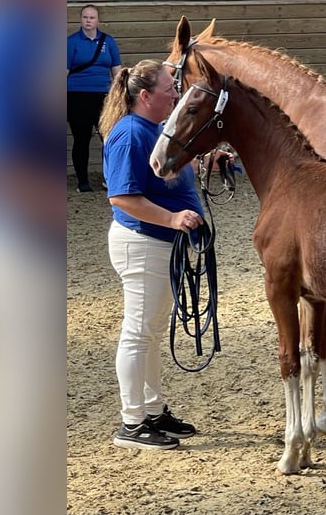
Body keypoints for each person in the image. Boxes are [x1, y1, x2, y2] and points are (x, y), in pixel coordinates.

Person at [99, 59, 205, 450]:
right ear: (145, 96)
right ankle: (131, 421)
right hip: (143, 242)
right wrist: (172, 217)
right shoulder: (130, 134)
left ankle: (152, 410)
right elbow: (123, 197)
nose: (176, 94)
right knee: (138, 333)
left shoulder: (155, 129)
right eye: (168, 89)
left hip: (160, 244)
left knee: (151, 334)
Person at [67, 4, 122, 192]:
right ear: (80, 19)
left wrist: (119, 95)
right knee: (81, 138)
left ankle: (110, 179)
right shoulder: (71, 42)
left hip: (103, 96)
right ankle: (83, 181)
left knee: (109, 138)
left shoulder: (109, 42)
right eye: (85, 17)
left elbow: (117, 71)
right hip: (77, 95)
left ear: (98, 20)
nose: (88, 20)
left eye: (91, 17)